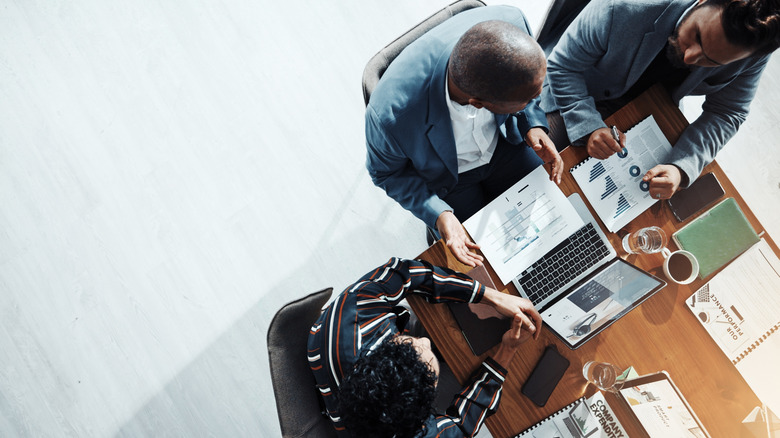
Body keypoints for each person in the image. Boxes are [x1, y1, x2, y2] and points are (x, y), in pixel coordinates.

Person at [365, 6, 563, 268]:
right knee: (489, 266)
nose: (537, 100)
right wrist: (439, 213)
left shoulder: (513, 23)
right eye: (527, 100)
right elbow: (386, 174)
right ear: (477, 103)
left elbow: (525, 83)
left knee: (557, 227)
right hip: (449, 180)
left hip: (505, 146)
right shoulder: (392, 117)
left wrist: (532, 123)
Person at [541, 0, 780, 199]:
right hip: (578, 92)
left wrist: (680, 168)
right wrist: (589, 126)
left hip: (649, 108)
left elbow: (728, 112)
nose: (689, 57)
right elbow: (563, 66)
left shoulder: (751, 55)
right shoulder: (627, 6)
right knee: (537, 175)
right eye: (697, 35)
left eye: (711, 61)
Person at [307, 257, 542, 437]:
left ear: (387, 345)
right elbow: (460, 427)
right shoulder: (412, 432)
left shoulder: (357, 307)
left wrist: (492, 296)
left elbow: (408, 272)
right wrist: (507, 350)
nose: (426, 342)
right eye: (433, 376)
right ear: (424, 416)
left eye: (410, 342)